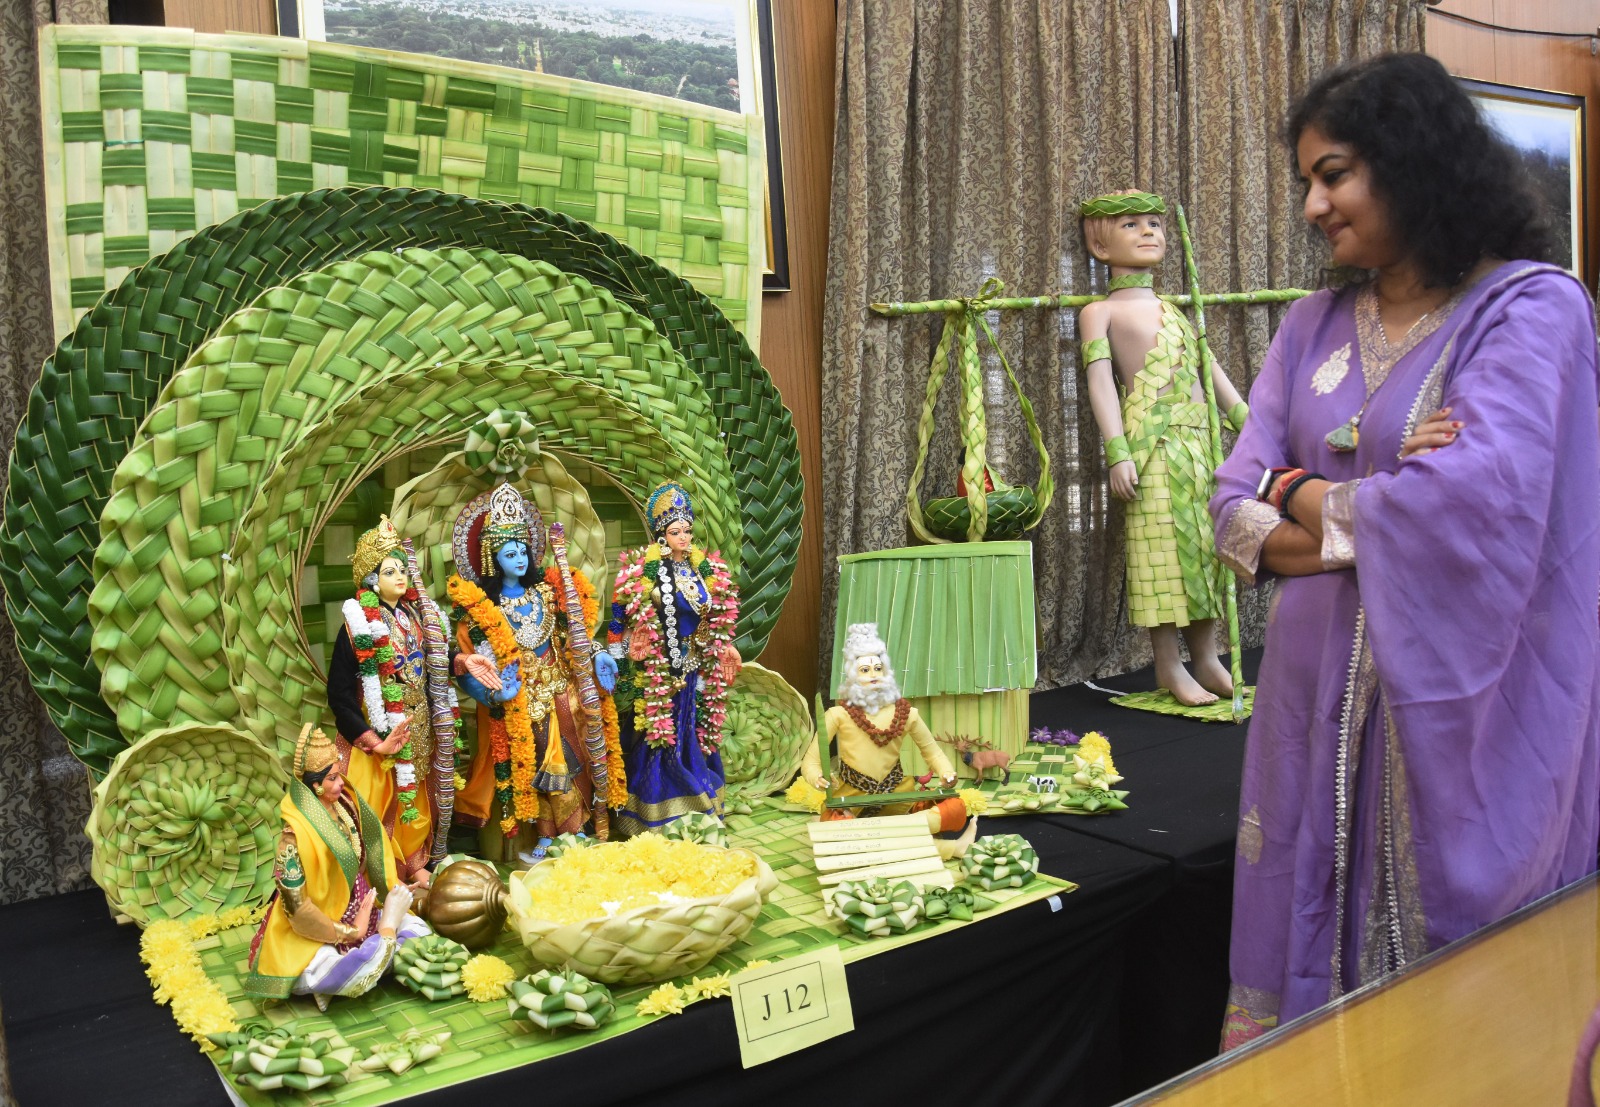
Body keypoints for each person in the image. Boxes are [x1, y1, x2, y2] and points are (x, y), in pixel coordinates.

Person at [1209, 53, 1600, 1048]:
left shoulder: (1528, 310)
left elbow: (1468, 508)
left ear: (1411, 160)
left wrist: (1291, 491)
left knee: (1452, 1024)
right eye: (1306, 179)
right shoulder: (1307, 328)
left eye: (1332, 173)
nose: (1311, 206)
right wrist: (1367, 504)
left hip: (1460, 726)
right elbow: (1225, 510)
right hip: (1306, 716)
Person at [1078, 190, 1249, 706]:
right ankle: (1168, 665)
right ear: (1100, 244)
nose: (1149, 231)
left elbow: (1208, 368)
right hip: (1150, 444)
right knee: (1159, 553)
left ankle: (1207, 656)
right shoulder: (1099, 312)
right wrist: (1117, 450)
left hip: (1199, 444)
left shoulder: (1177, 309)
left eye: (1155, 223)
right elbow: (1100, 382)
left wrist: (1247, 421)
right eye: (1132, 225)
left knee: (1204, 548)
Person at [446, 482, 619, 863]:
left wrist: (599, 652)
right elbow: (467, 664)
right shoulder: (484, 609)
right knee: (538, 766)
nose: (520, 558)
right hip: (523, 699)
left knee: (580, 757)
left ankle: (580, 828)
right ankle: (547, 834)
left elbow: (573, 634)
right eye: (510, 553)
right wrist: (494, 694)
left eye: (523, 550)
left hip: (562, 687)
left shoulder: (547, 591)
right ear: (494, 559)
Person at [245, 726, 429, 1008]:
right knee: (330, 970)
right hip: (315, 928)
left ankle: (378, 945)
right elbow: (298, 910)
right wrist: (351, 932)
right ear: (315, 785)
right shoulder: (292, 839)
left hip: (360, 906)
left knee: (419, 931)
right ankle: (375, 947)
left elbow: (373, 848)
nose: (341, 782)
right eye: (332, 778)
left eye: (339, 773)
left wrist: (393, 888)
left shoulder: (344, 803)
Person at [326, 516, 460, 880]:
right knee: (381, 803)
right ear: (371, 580)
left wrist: (461, 660)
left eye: (402, 569)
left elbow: (436, 659)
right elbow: (338, 696)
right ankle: (383, 878)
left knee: (416, 797)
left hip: (419, 727)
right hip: (377, 738)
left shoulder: (419, 616)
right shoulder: (357, 626)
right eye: (389, 571)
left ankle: (414, 866)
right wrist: (374, 742)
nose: (400, 577)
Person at [608, 480, 742, 836]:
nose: (684, 536)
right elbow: (619, 612)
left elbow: (713, 615)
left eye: (687, 529)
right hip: (659, 666)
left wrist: (724, 645)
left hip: (696, 661)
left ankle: (696, 799)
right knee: (659, 734)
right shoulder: (646, 571)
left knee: (692, 726)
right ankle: (656, 806)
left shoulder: (701, 570)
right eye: (675, 531)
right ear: (661, 535)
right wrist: (621, 650)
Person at [800, 623, 975, 858]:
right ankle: (949, 848)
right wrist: (817, 778)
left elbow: (932, 752)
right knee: (834, 828)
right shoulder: (838, 715)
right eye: (864, 670)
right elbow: (810, 763)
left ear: (886, 672)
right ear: (853, 675)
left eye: (877, 668)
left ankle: (879, 835)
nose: (872, 674)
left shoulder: (907, 713)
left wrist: (946, 773)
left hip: (899, 797)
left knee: (954, 807)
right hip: (853, 799)